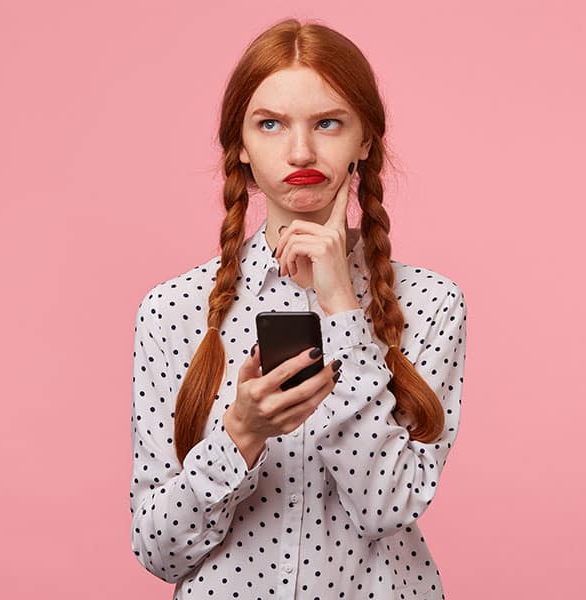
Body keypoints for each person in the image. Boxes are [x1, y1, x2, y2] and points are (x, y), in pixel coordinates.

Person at [129, 18, 467, 600]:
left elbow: (386, 507)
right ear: (240, 144)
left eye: (328, 123)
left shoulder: (431, 303)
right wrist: (240, 433)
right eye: (271, 124)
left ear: (365, 139)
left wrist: (342, 308)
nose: (302, 150)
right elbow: (158, 550)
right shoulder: (173, 310)